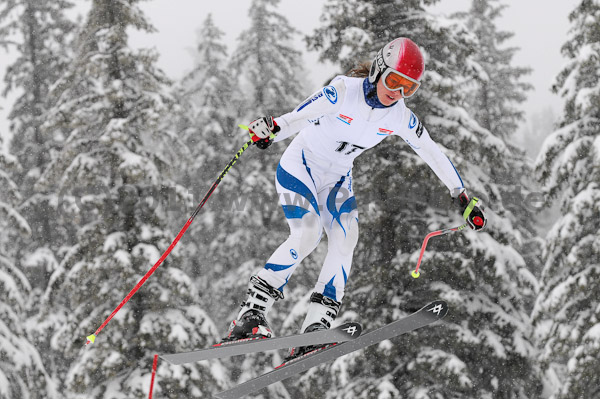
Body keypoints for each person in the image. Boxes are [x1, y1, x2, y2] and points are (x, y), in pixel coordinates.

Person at [221, 37, 486, 358]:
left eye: (409, 88)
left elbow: (432, 152)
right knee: (307, 234)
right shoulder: (344, 91)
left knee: (346, 238)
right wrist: (271, 130)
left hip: (336, 180)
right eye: (394, 81)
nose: (398, 93)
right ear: (378, 69)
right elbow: (300, 115)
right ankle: (250, 313)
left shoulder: (400, 116)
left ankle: (316, 326)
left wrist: (462, 196)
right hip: (300, 167)